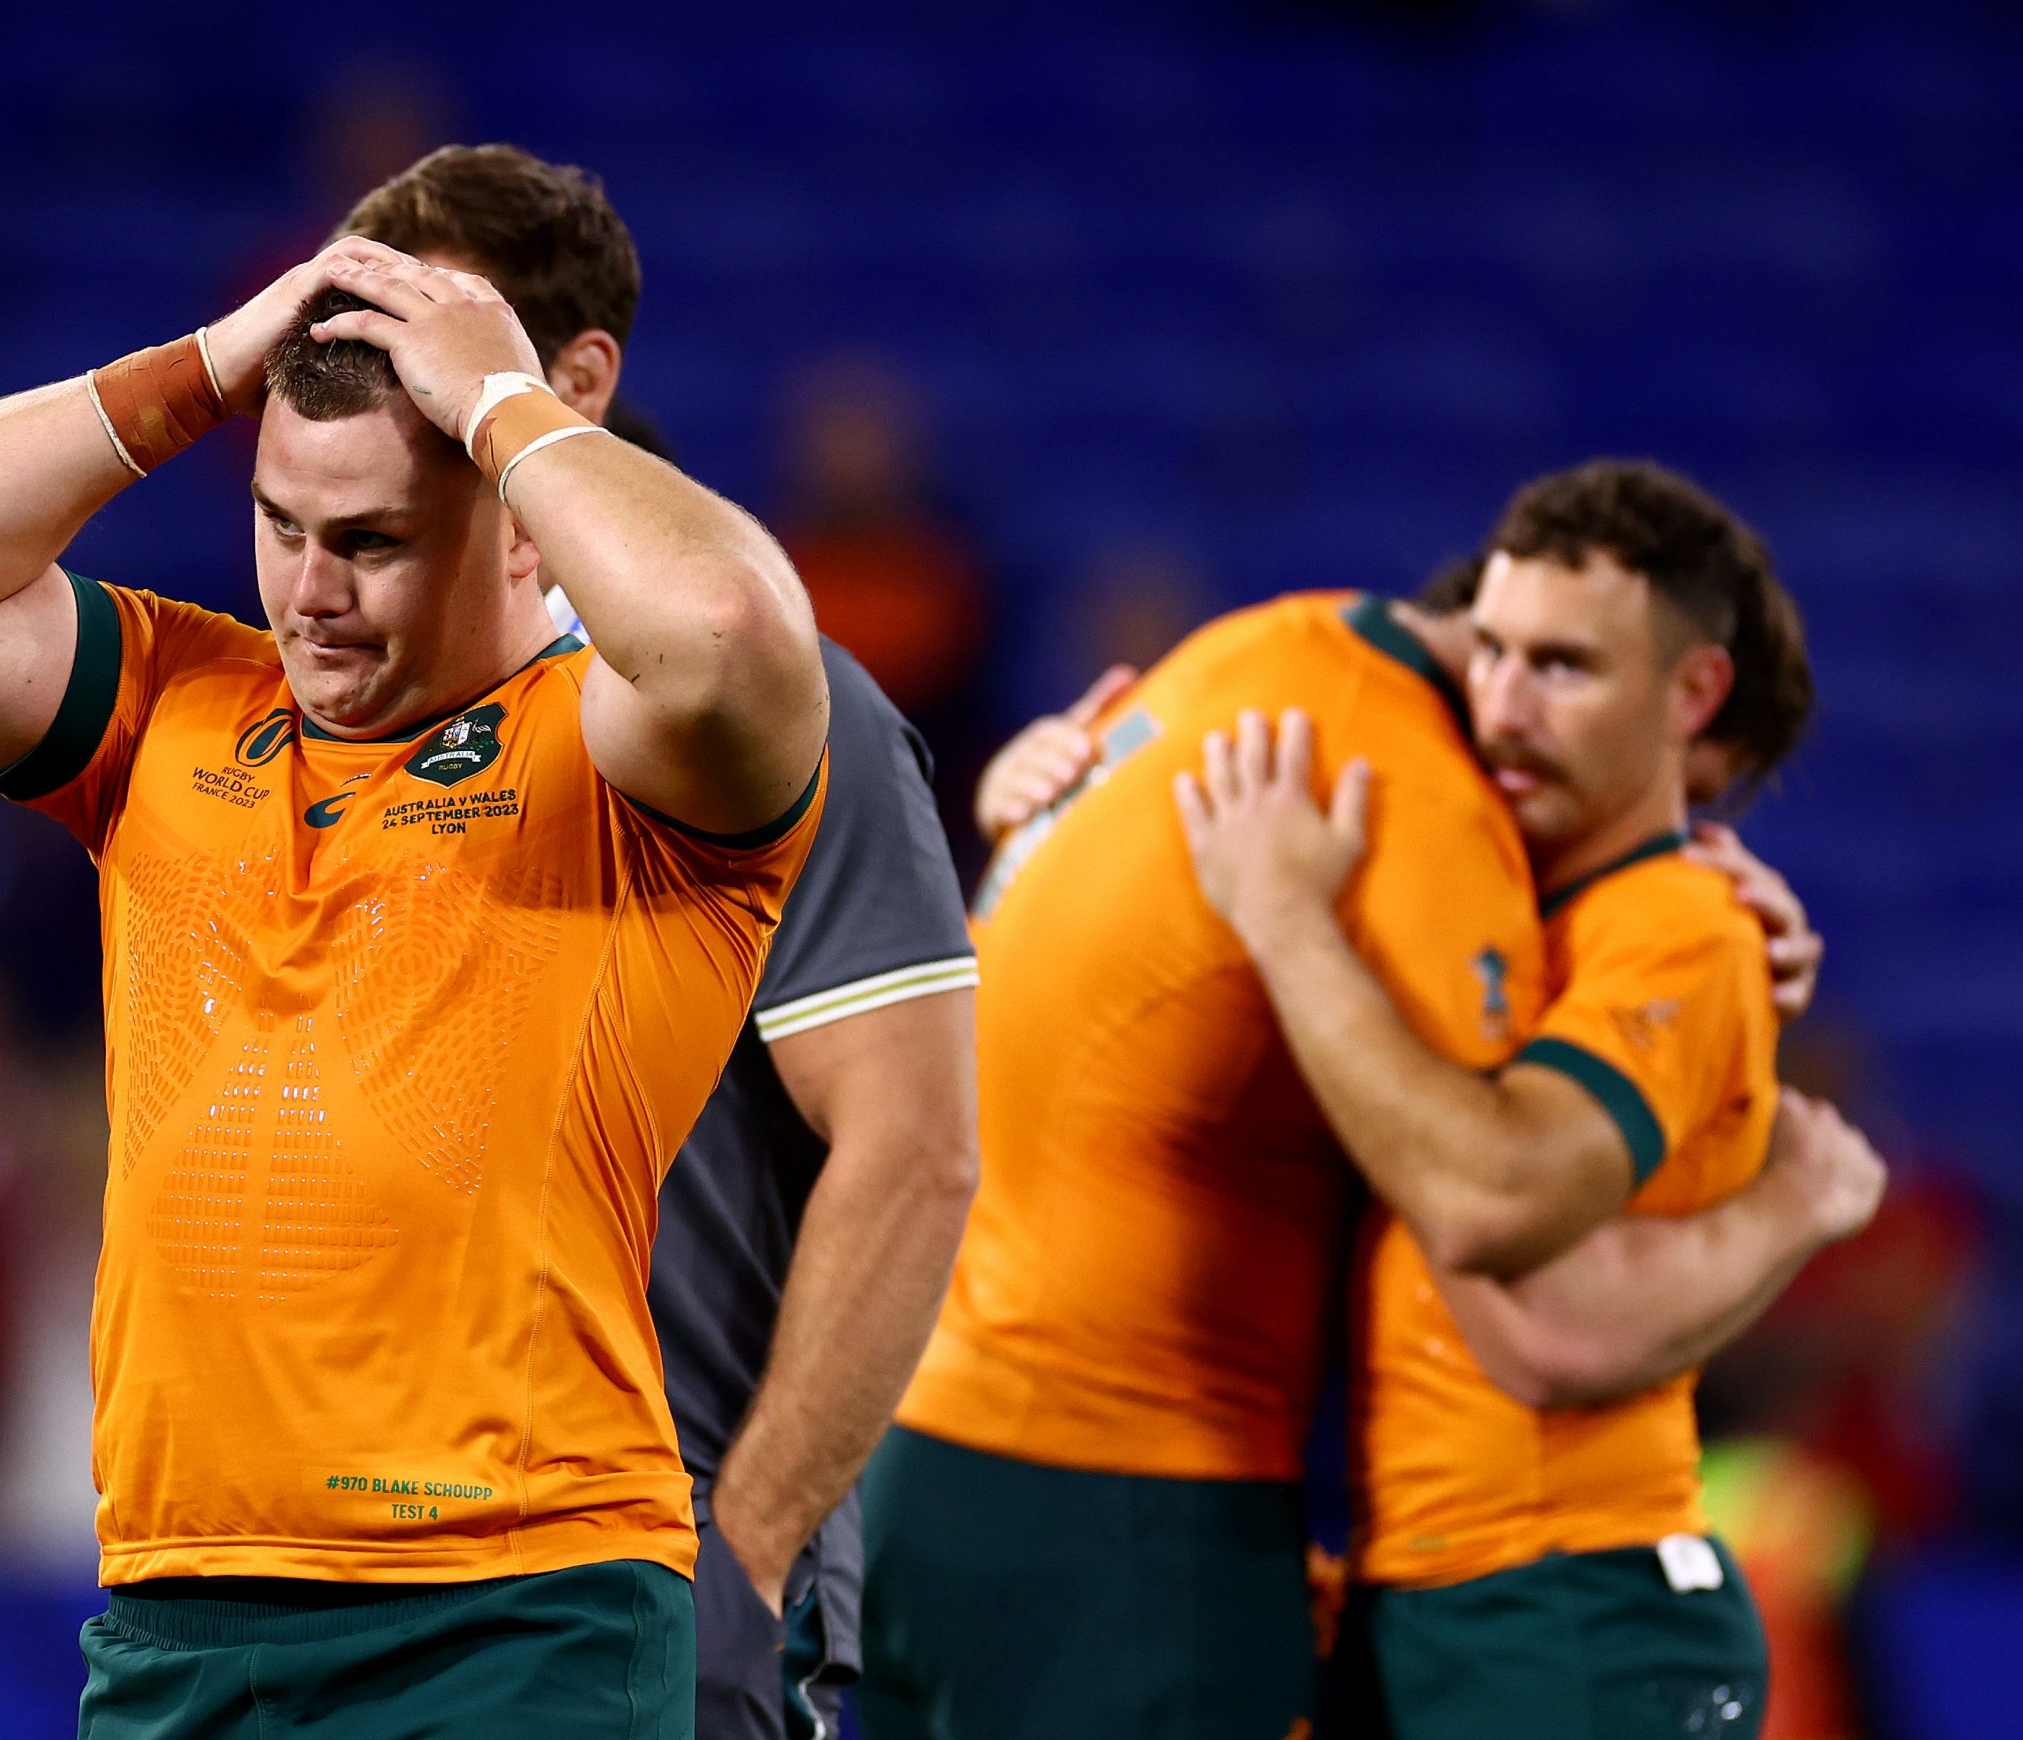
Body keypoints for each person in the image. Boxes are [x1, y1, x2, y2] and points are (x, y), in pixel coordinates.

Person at [0, 204, 829, 1735]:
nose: (310, 596)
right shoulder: (171, 706)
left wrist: (503, 401)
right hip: (180, 1613)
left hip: (514, 1610)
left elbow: (731, 628)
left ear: (519, 532)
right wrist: (214, 370)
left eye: (371, 544)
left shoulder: (617, 763)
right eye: (281, 526)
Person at [858, 469, 1874, 1739]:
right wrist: (1800, 1201)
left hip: (925, 1441)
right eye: (1518, 660)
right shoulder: (1402, 792)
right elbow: (1495, 1223)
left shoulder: (1256, 658)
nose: (1672, 851)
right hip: (1112, 1479)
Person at [330, 146, 982, 1740]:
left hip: (639, 1570)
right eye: (360, 334)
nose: (395, 380)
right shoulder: (330, 727)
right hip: (348, 1575)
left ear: (577, 378)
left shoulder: (784, 718)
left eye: (437, 341)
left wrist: (743, 1554)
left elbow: (916, 1155)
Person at [1172, 461, 1868, 1737]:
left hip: (1568, 1600)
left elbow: (1541, 1328)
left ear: (1693, 694)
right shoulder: (1523, 927)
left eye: (1562, 667)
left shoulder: (1683, 928)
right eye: (1486, 652)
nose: (1498, 707)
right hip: (1444, 1588)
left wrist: (1800, 1204)